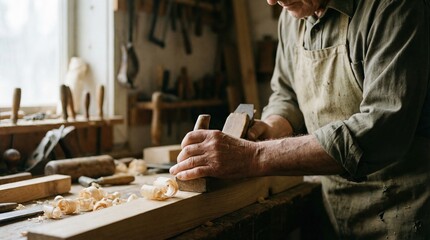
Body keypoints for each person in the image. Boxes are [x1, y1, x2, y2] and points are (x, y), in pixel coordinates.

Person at [170, 0, 430, 238]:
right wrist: (271, 128)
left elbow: (382, 131)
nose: (272, 1)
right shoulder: (293, 13)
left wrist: (253, 157)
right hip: (333, 203)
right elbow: (287, 94)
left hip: (403, 205)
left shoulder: (394, 7)